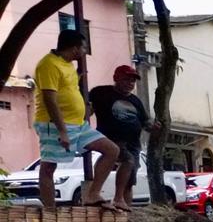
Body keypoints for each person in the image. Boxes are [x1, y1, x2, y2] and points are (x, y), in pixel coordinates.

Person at [33, 29, 119, 211]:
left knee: (111, 150)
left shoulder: (68, 65)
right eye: (83, 47)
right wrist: (62, 130)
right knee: (48, 167)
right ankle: (50, 210)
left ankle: (93, 194)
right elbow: (50, 98)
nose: (85, 51)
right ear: (74, 48)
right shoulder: (48, 65)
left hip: (78, 124)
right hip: (54, 124)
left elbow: (66, 88)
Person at [88, 64, 157, 212]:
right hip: (112, 138)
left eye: (133, 81)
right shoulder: (101, 93)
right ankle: (116, 198)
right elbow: (87, 109)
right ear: (116, 78)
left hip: (133, 143)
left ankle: (124, 210)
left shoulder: (136, 101)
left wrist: (153, 126)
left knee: (130, 180)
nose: (130, 83)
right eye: (126, 79)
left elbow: (145, 122)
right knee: (127, 160)